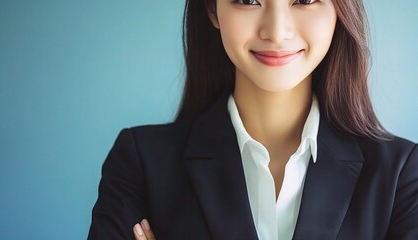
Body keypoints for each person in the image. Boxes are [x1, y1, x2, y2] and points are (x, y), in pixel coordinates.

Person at [88, 0, 418, 239]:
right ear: (212, 9)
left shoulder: (402, 174)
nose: (276, 31)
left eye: (304, 0)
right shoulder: (141, 162)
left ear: (339, 9)